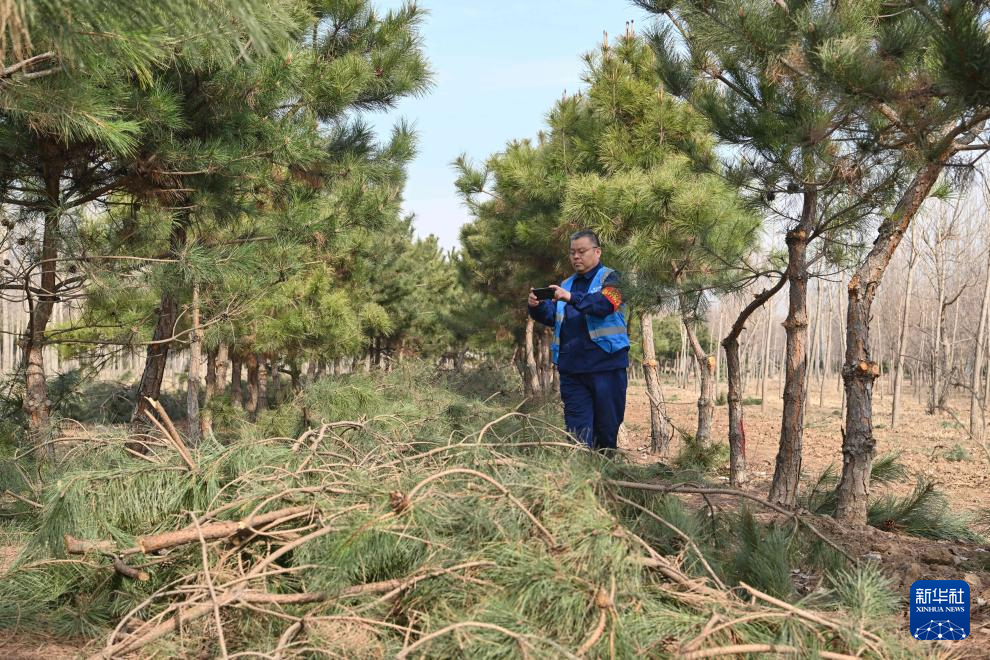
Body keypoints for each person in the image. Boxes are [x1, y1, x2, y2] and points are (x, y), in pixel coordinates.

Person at [528, 229, 629, 451]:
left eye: (581, 251)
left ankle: (604, 471)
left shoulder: (613, 279)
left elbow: (605, 305)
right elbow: (553, 316)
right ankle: (581, 471)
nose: (576, 257)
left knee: (606, 432)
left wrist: (571, 297)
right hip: (572, 371)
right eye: (572, 252)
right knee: (577, 434)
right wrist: (536, 307)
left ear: (597, 252)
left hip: (607, 368)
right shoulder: (566, 284)